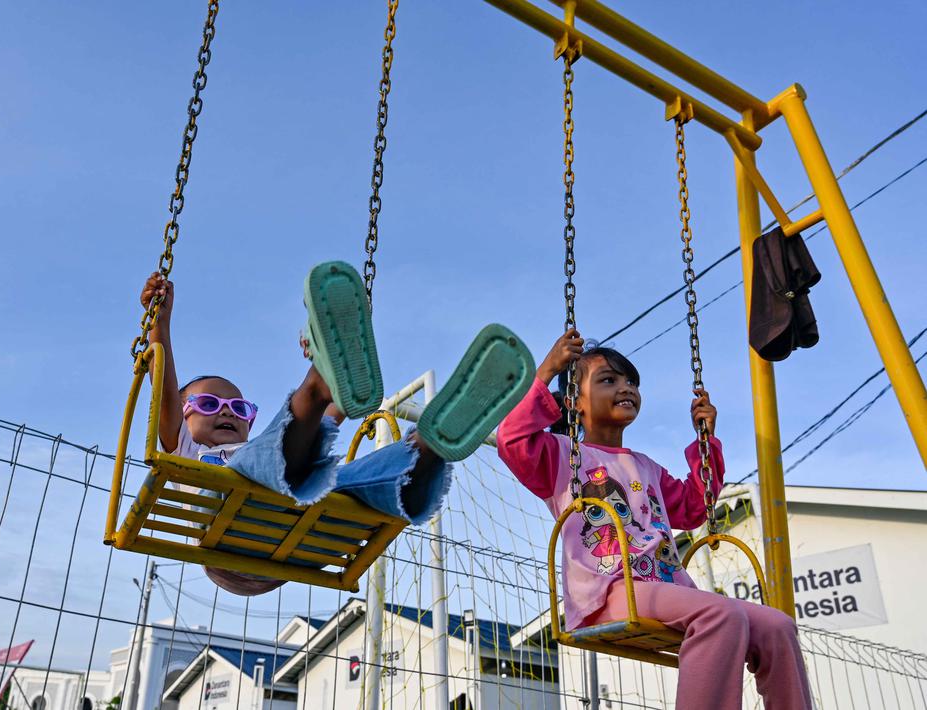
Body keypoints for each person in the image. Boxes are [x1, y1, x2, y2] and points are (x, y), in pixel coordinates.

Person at [141, 261, 533, 595]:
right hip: (228, 542)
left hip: (285, 530)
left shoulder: (261, 446)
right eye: (208, 404)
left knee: (347, 478)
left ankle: (428, 446)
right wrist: (160, 324)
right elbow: (162, 392)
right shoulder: (186, 449)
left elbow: (334, 416)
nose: (227, 413)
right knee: (257, 463)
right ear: (183, 414)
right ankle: (317, 380)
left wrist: (344, 384)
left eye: (239, 407)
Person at [496, 329, 812, 709]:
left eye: (631, 381)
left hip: (665, 587)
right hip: (609, 591)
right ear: (574, 402)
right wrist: (547, 370)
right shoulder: (561, 455)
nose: (625, 387)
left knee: (777, 625)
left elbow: (695, 506)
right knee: (721, 614)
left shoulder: (647, 468)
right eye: (608, 380)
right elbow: (511, 440)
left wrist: (706, 442)